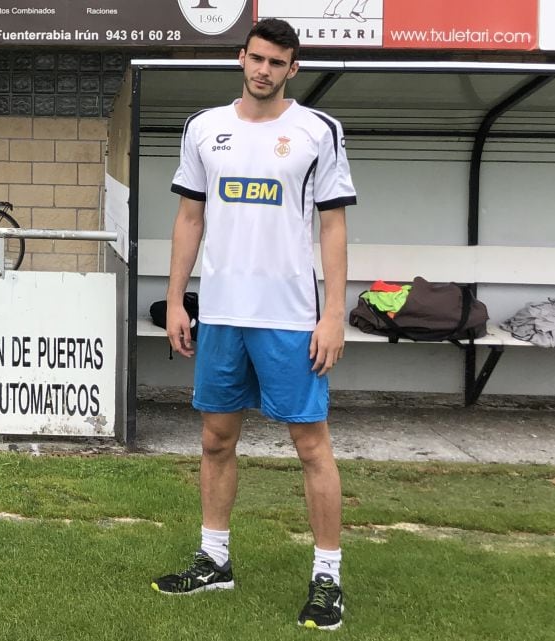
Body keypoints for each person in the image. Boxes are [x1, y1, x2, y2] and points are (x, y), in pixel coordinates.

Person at [149, 18, 356, 631]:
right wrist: (178, 300)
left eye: (277, 62)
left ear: (293, 69)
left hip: (291, 319)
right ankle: (214, 560)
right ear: (241, 57)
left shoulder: (319, 131)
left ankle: (328, 578)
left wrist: (334, 314)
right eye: (256, 58)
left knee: (311, 445)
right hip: (221, 314)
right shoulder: (204, 128)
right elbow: (190, 219)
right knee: (216, 439)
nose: (263, 70)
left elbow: (334, 227)